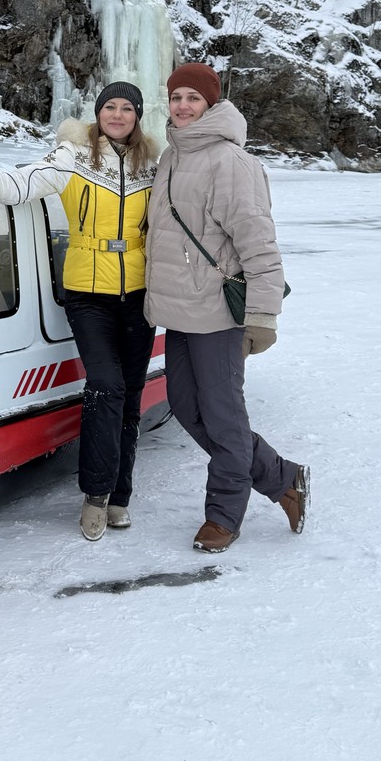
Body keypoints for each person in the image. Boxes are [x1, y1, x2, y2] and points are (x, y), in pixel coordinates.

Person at [0, 82, 158, 542]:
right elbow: (18, 185)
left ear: (138, 116)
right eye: (110, 107)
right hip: (88, 292)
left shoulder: (153, 164)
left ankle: (121, 494)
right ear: (98, 113)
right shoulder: (73, 156)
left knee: (131, 399)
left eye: (127, 108)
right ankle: (96, 495)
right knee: (105, 387)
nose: (118, 115)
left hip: (142, 294)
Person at [144, 61, 308, 553]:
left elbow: (258, 243)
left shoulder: (232, 162)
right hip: (179, 312)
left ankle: (224, 514)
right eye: (176, 98)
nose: (183, 106)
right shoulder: (173, 155)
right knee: (186, 407)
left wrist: (262, 316)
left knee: (222, 416)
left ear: (211, 104)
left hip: (218, 313)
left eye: (194, 98)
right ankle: (283, 477)